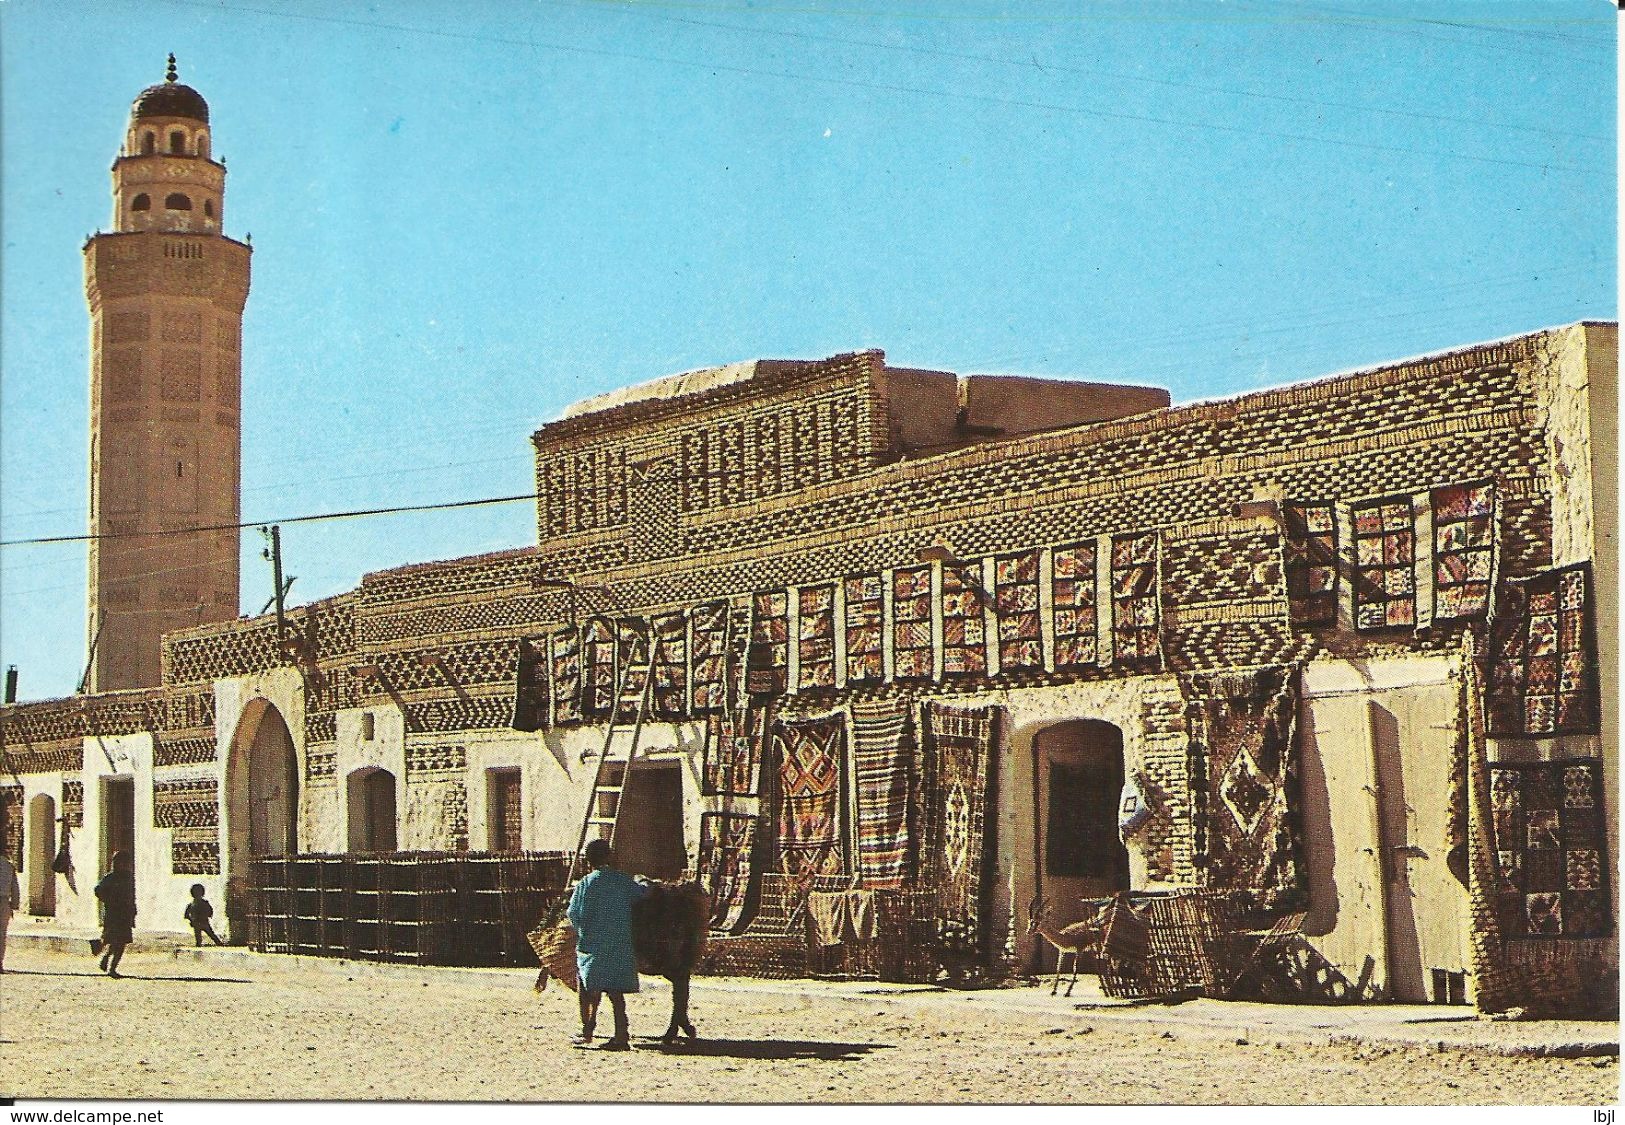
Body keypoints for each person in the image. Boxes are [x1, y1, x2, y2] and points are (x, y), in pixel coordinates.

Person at [565, 838, 648, 1050]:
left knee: (587, 986)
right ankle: (622, 1035)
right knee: (615, 992)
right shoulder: (621, 880)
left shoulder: (585, 883)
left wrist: (584, 929)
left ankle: (587, 1030)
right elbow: (641, 895)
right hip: (619, 942)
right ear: (609, 856)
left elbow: (573, 913)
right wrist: (644, 883)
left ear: (589, 861)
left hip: (592, 945)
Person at [94, 851, 136, 978]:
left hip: (124, 913)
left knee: (121, 942)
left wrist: (133, 909)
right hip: (113, 913)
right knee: (111, 938)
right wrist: (108, 899)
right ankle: (104, 955)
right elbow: (98, 890)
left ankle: (111, 966)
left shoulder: (129, 878)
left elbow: (131, 895)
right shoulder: (110, 878)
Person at [0, 847, 18, 974]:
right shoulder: (8, 865)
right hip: (4, 902)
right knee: (1, 935)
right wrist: (14, 906)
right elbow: (15, 888)